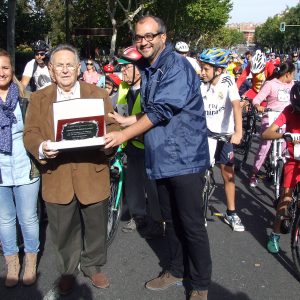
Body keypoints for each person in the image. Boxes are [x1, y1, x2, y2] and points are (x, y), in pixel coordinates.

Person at [105, 15, 212, 300]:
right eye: (139, 36)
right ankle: (176, 270)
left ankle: (200, 285)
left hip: (185, 158)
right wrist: (128, 121)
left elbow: (162, 110)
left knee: (191, 223)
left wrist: (123, 135)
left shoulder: (176, 66)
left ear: (164, 37)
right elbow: (152, 109)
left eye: (150, 35)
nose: (144, 41)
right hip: (161, 157)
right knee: (171, 220)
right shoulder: (150, 67)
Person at [23, 44, 119, 296]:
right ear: (51, 70)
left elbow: (113, 125)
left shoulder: (98, 94)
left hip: (92, 170)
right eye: (59, 65)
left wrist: (111, 143)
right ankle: (67, 270)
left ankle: (93, 264)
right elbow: (30, 133)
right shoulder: (39, 98)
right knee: (62, 228)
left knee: (96, 224)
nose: (65, 70)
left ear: (78, 68)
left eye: (69, 65)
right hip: (57, 174)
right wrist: (41, 147)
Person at [112, 46, 162, 236]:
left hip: (150, 147)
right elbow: (113, 106)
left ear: (139, 68)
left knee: (153, 186)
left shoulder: (151, 89)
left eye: (127, 67)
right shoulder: (123, 87)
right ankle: (138, 215)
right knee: (133, 184)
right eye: (121, 67)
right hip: (130, 145)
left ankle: (159, 220)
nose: (122, 71)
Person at [0, 49, 40, 287]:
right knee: (5, 220)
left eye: (5, 67)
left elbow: (37, 129)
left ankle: (31, 260)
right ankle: (12, 262)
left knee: (28, 217)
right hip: (0, 170)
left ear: (12, 69)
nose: (1, 72)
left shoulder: (27, 96)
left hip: (25, 166)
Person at [199, 48, 245, 232]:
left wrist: (238, 131)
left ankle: (231, 212)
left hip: (225, 135)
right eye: (201, 67)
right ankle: (198, 209)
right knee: (199, 175)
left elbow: (236, 106)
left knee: (228, 176)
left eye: (206, 69)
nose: (202, 72)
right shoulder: (200, 83)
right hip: (205, 135)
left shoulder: (228, 81)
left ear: (218, 70)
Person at [262, 82, 300, 253]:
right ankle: (275, 234)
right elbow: (266, 133)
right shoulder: (288, 111)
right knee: (285, 199)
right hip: (293, 160)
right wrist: (285, 135)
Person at [249, 62, 295, 187]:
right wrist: (258, 106)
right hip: (270, 117)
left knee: (287, 146)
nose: (294, 76)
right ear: (287, 74)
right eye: (293, 74)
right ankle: (254, 173)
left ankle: (284, 173)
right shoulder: (270, 84)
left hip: (285, 119)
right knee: (265, 146)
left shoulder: (293, 85)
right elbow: (257, 99)